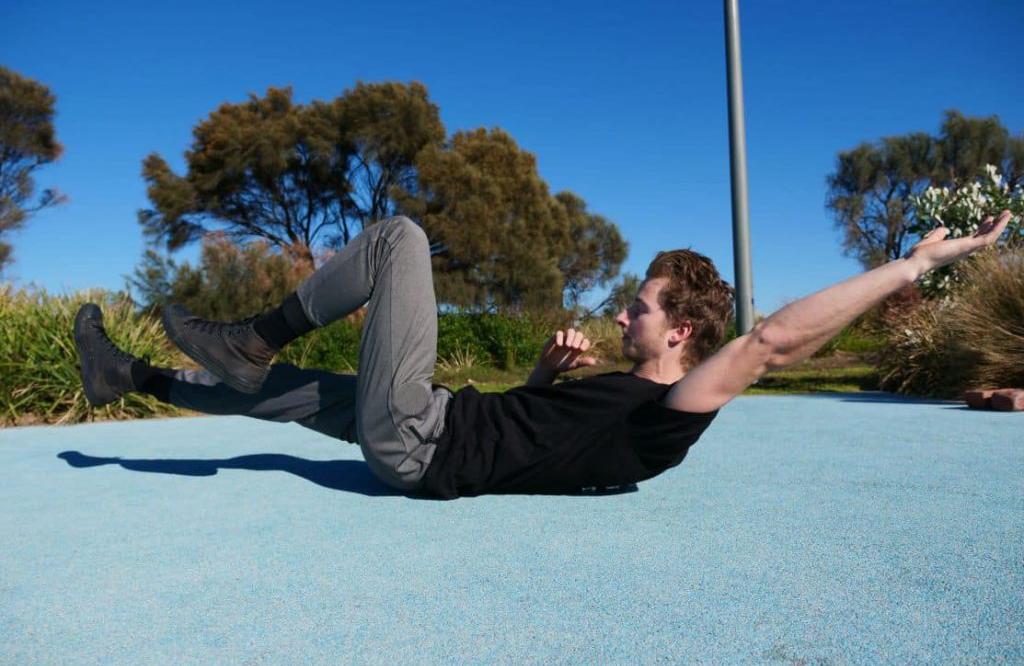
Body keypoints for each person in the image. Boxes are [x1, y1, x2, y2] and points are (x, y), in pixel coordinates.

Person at [74, 211, 1013, 499]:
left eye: (639, 307)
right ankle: (134, 377)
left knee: (400, 239)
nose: (622, 314)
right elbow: (533, 439)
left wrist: (912, 267)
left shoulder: (669, 418)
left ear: (681, 333)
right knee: (279, 403)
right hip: (435, 426)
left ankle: (247, 339)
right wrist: (538, 381)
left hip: (421, 441)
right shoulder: (616, 392)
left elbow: (773, 340)